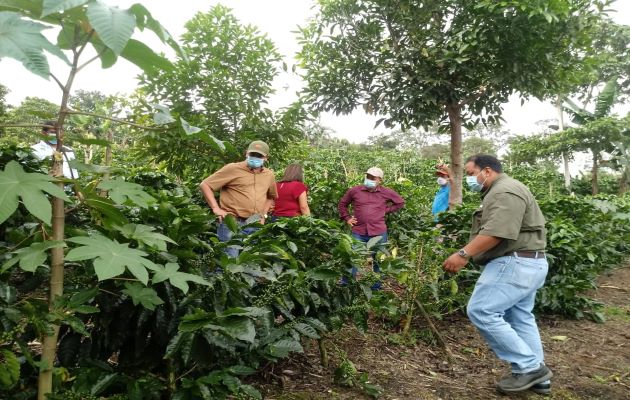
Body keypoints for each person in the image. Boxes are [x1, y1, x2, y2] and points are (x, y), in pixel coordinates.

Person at [442, 154, 552, 395]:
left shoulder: (505, 191)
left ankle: (529, 367)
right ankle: (539, 376)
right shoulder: (504, 189)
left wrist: (462, 254)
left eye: (471, 174)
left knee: (481, 310)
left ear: (488, 171)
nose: (471, 179)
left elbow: (498, 232)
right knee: (520, 316)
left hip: (514, 263)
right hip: (527, 263)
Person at [199, 140, 277, 257]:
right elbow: (205, 185)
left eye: (259, 155)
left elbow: (271, 196)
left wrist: (263, 216)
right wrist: (216, 208)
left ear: (266, 158)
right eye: (252, 154)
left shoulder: (269, 175)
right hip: (232, 223)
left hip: (254, 224)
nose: (255, 157)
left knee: (250, 261)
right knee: (229, 262)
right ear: (246, 154)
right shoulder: (232, 168)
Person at [338, 167, 405, 287]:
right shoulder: (355, 190)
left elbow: (400, 202)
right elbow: (343, 204)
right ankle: (346, 285)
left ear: (380, 180)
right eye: (367, 177)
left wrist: (386, 210)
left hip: (378, 232)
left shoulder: (386, 192)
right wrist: (347, 218)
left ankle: (376, 287)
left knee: (378, 260)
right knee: (352, 257)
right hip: (358, 231)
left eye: (372, 178)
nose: (369, 179)